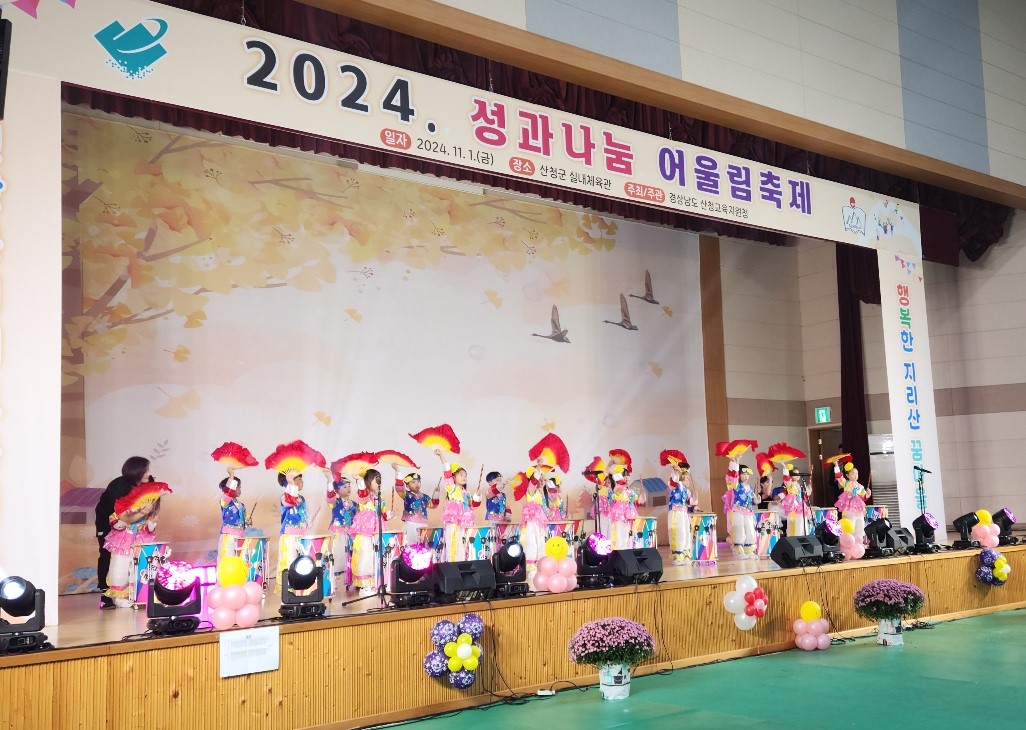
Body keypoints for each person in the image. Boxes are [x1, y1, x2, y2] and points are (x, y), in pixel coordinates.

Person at [102, 481, 171, 607]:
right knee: (121, 566)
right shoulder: (121, 510)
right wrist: (123, 521)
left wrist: (152, 521)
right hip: (123, 542)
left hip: (140, 541)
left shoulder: (145, 513)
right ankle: (119, 597)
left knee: (140, 567)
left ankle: (141, 594)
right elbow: (115, 522)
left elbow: (148, 529)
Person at [95, 456, 150, 609]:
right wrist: (143, 512)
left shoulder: (148, 482)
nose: (149, 474)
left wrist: (150, 516)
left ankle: (134, 591)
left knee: (135, 556)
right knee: (107, 554)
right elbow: (124, 517)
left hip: (135, 523)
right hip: (110, 520)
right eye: (146, 470)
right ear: (136, 472)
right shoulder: (118, 486)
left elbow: (153, 502)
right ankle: (105, 594)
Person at [350, 469, 393, 597]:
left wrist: (389, 514)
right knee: (366, 556)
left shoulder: (380, 498)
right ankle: (365, 586)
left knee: (377, 556)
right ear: (368, 482)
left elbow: (382, 514)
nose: (379, 482)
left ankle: (377, 582)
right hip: (366, 531)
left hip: (377, 530)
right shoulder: (365, 496)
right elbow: (362, 492)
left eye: (380, 479)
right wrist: (360, 480)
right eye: (376, 479)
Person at [437, 449, 480, 562]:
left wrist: (477, 497)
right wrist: (441, 456)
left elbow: (473, 506)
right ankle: (453, 566)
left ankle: (463, 566)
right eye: (461, 475)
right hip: (454, 523)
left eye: (465, 475)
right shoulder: (452, 488)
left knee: (464, 547)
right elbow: (447, 473)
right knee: (453, 545)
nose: (464, 477)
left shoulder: (467, 493)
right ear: (453, 477)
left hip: (465, 523)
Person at [326, 469, 357, 592]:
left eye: (349, 486)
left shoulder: (355, 504)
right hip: (339, 533)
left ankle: (350, 579)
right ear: (337, 490)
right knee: (338, 555)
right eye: (344, 487)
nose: (348, 488)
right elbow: (330, 496)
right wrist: (329, 480)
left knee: (351, 555)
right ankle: (334, 580)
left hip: (351, 534)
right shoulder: (335, 502)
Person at [394, 464, 439, 545]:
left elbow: (433, 505)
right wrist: (398, 471)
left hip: (423, 524)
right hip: (410, 523)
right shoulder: (406, 494)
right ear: (407, 485)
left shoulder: (424, 497)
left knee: (423, 545)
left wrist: (436, 493)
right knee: (410, 544)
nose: (417, 484)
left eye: (418, 482)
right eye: (413, 482)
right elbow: (399, 487)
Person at [216, 467, 251, 567]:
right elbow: (228, 494)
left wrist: (248, 521)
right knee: (227, 561)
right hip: (229, 536)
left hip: (240, 536)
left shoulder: (241, 505)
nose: (239, 489)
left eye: (239, 487)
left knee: (241, 562)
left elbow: (246, 521)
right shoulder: (225, 501)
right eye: (237, 487)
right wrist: (231, 476)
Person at [277, 469, 309, 577]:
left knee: (302, 563)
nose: (302, 482)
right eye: (299, 479)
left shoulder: (301, 498)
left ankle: (300, 584)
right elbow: (290, 502)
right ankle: (287, 585)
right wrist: (291, 483)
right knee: (290, 561)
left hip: (301, 534)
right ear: (290, 480)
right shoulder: (285, 497)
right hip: (289, 535)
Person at [668, 461, 698, 565]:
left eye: (687, 474)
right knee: (678, 532)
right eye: (684, 474)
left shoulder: (686, 489)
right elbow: (673, 481)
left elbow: (689, 502)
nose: (686, 477)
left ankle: (685, 554)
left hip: (684, 513)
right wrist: (676, 471)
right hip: (676, 513)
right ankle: (677, 556)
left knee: (686, 533)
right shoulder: (674, 484)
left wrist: (695, 499)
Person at [608, 465, 644, 550]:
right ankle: (620, 555)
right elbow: (620, 484)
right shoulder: (616, 490)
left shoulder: (630, 492)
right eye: (624, 475)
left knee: (628, 539)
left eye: (628, 475)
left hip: (629, 518)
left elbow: (637, 501)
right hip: (620, 517)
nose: (627, 478)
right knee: (620, 538)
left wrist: (641, 499)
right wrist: (614, 473)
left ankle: (628, 554)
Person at [834, 461, 871, 544]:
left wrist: (868, 494)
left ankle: (859, 543)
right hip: (849, 509)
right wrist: (836, 465)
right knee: (851, 525)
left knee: (860, 525)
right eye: (853, 473)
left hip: (859, 510)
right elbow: (839, 476)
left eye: (856, 474)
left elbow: (864, 497)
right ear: (847, 475)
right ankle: (850, 542)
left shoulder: (861, 486)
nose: (855, 475)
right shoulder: (846, 483)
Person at [727, 462, 757, 559]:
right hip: (738, 510)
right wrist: (735, 462)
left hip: (748, 511)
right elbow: (732, 476)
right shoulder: (736, 485)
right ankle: (739, 551)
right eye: (743, 474)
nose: (746, 476)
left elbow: (754, 500)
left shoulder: (749, 488)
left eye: (747, 474)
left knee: (749, 529)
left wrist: (757, 499)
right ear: (738, 475)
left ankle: (749, 550)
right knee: (739, 529)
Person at [780, 464, 811, 536]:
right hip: (792, 505)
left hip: (800, 505)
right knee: (794, 524)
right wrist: (785, 468)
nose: (798, 475)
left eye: (798, 474)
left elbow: (804, 496)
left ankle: (803, 537)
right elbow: (786, 478)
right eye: (795, 474)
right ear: (791, 475)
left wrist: (808, 491)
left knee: (802, 524)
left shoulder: (800, 485)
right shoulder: (789, 484)